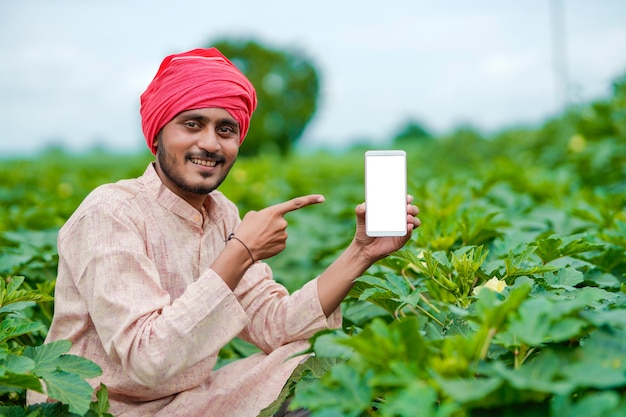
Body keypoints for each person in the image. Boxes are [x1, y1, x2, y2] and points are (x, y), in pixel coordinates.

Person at [28, 47, 421, 416]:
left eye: (226, 129)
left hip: (185, 403)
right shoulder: (111, 212)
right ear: (158, 133)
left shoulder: (223, 216)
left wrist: (361, 253)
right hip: (100, 408)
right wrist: (242, 251)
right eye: (192, 124)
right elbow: (148, 359)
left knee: (319, 361)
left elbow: (275, 325)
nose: (209, 143)